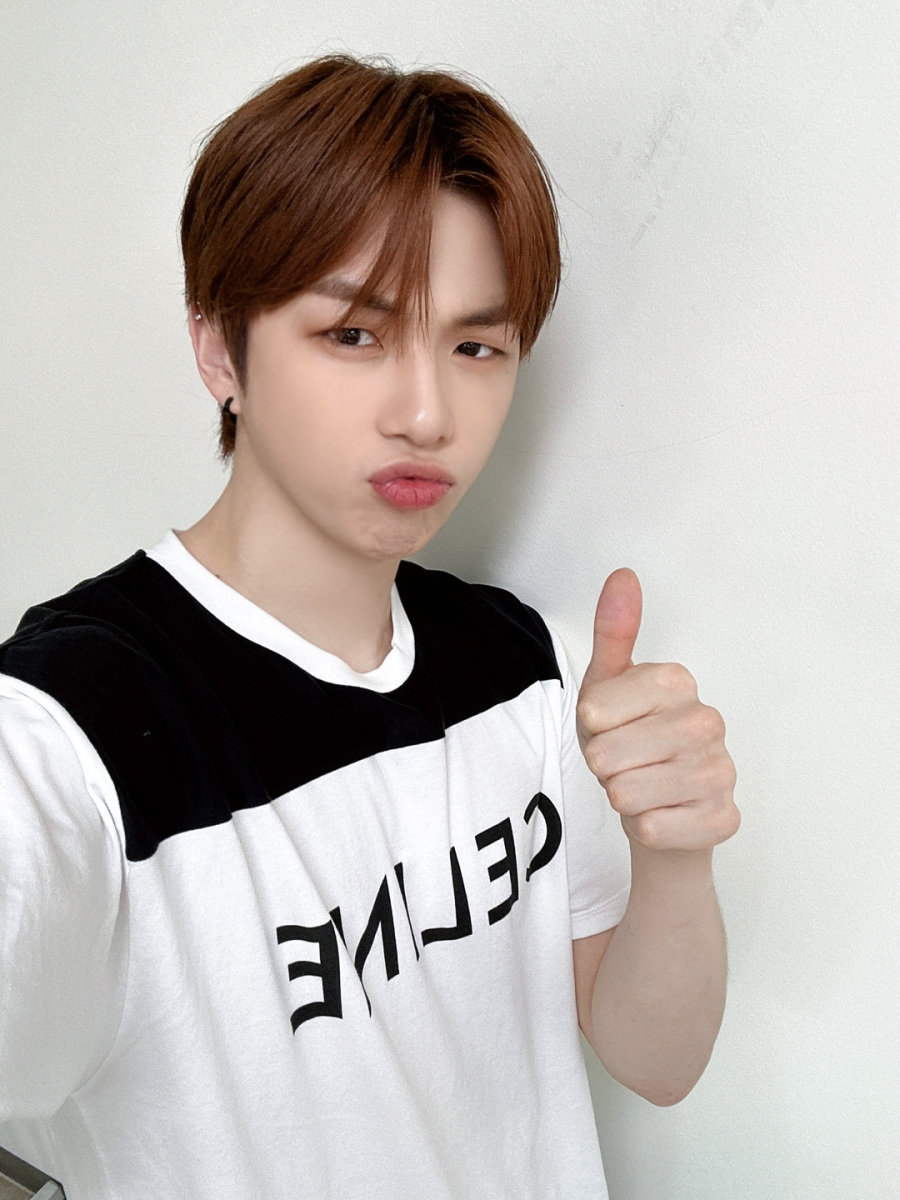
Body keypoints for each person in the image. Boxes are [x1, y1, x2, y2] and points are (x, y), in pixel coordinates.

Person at [0, 54, 739, 1200]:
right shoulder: (72, 728)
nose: (428, 414)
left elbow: (657, 1060)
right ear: (220, 348)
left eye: (476, 346)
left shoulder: (524, 665)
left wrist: (676, 855)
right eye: (355, 334)